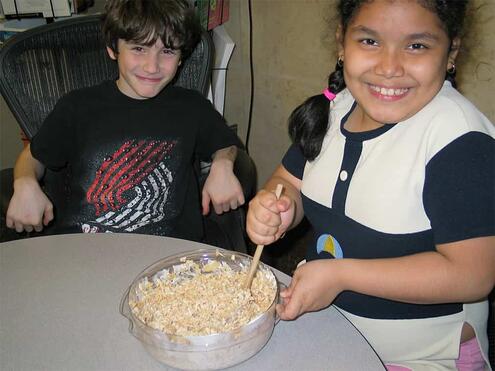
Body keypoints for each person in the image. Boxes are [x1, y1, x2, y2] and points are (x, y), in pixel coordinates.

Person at [246, 0, 495, 369]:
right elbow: (288, 181)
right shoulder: (334, 108)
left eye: (416, 46)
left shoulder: (459, 141)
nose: (389, 67)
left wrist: (342, 275)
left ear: (451, 51)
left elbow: (473, 275)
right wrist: (276, 206)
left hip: (421, 355)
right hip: (332, 333)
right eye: (369, 41)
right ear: (341, 43)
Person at [6, 0, 245, 241]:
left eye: (168, 51)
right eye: (139, 49)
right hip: (84, 247)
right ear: (113, 49)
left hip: (170, 252)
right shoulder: (77, 106)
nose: (152, 66)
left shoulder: (191, 107)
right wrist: (25, 181)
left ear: (181, 57)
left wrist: (223, 166)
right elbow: (33, 157)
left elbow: (225, 144)